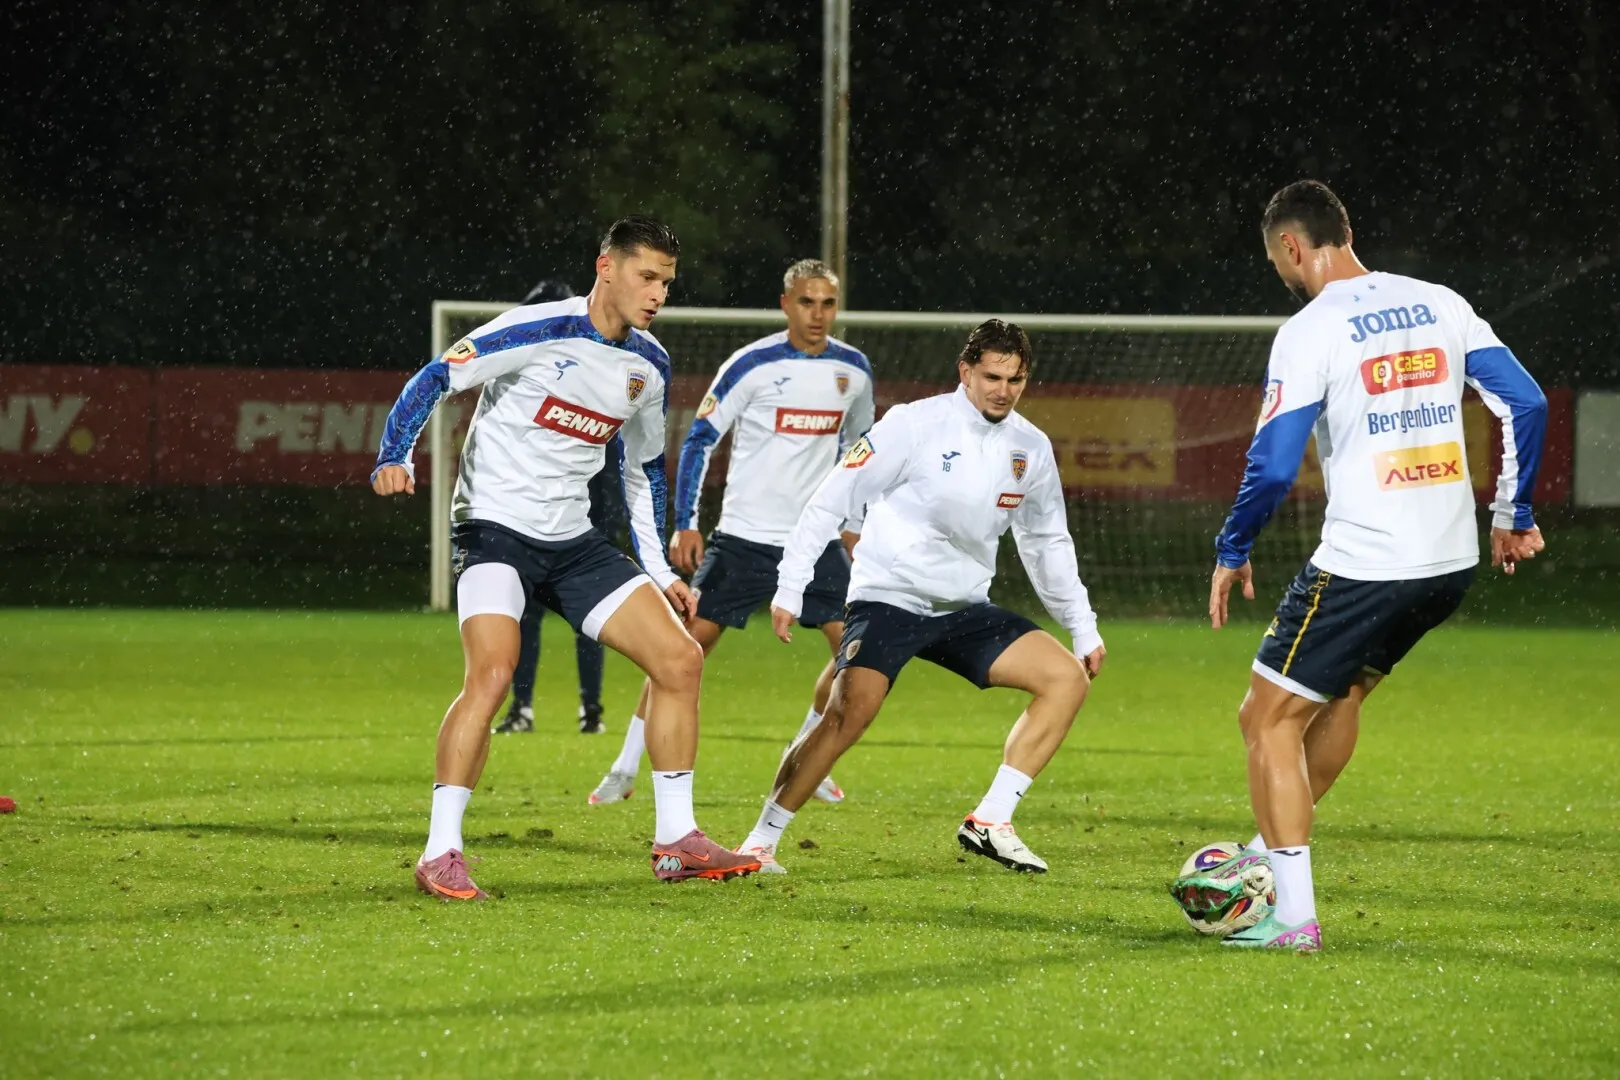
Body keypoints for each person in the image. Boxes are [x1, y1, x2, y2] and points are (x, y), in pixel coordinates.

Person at [1174, 180, 1548, 951]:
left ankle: (1294, 916)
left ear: (1291, 246)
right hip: (1449, 560)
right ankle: (1268, 857)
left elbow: (1274, 467)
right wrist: (1515, 514)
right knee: (1339, 693)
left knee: (1265, 717)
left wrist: (1232, 547)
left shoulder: (1310, 330)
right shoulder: (1438, 300)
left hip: (1369, 557)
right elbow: (1528, 402)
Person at [371, 217, 760, 896]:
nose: (658, 293)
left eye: (667, 281)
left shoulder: (649, 363)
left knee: (680, 659)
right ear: (605, 266)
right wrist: (394, 453)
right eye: (648, 276)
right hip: (493, 529)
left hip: (572, 542)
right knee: (492, 675)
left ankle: (676, 842)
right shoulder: (536, 328)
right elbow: (437, 377)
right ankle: (441, 850)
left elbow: (643, 470)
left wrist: (661, 570)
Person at [734, 319, 1106, 875]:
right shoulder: (913, 425)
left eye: (1016, 379)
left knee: (1065, 678)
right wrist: (792, 584)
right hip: (889, 597)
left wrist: (1082, 625)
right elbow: (830, 497)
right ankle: (758, 842)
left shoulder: (1030, 446)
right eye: (992, 376)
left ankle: (991, 820)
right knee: (846, 714)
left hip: (963, 608)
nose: (1003, 390)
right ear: (965, 371)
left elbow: (1046, 541)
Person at [587, 259, 875, 806]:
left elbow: (861, 454)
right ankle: (625, 767)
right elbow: (699, 439)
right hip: (744, 536)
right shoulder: (752, 365)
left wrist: (853, 526)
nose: (818, 313)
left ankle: (807, 752)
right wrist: (687, 523)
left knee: (857, 653)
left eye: (828, 303)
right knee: (684, 647)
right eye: (807, 302)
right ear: (786, 303)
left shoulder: (854, 372)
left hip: (812, 540)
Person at [491, 278, 626, 737]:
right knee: (523, 616)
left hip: (585, 521)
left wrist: (609, 518)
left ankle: (590, 709)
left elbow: (618, 456)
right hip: (524, 521)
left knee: (592, 619)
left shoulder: (603, 372)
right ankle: (522, 708)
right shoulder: (521, 378)